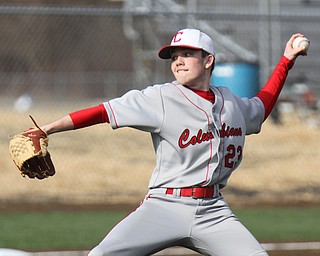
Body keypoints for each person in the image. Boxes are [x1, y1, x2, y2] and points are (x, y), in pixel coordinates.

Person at [37, 29, 307, 256]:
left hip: (213, 211)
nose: (178, 61)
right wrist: (49, 128)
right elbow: (103, 112)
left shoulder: (231, 102)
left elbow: (261, 106)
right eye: (174, 57)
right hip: (164, 206)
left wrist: (286, 60)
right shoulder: (160, 98)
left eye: (187, 54)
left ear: (208, 60)